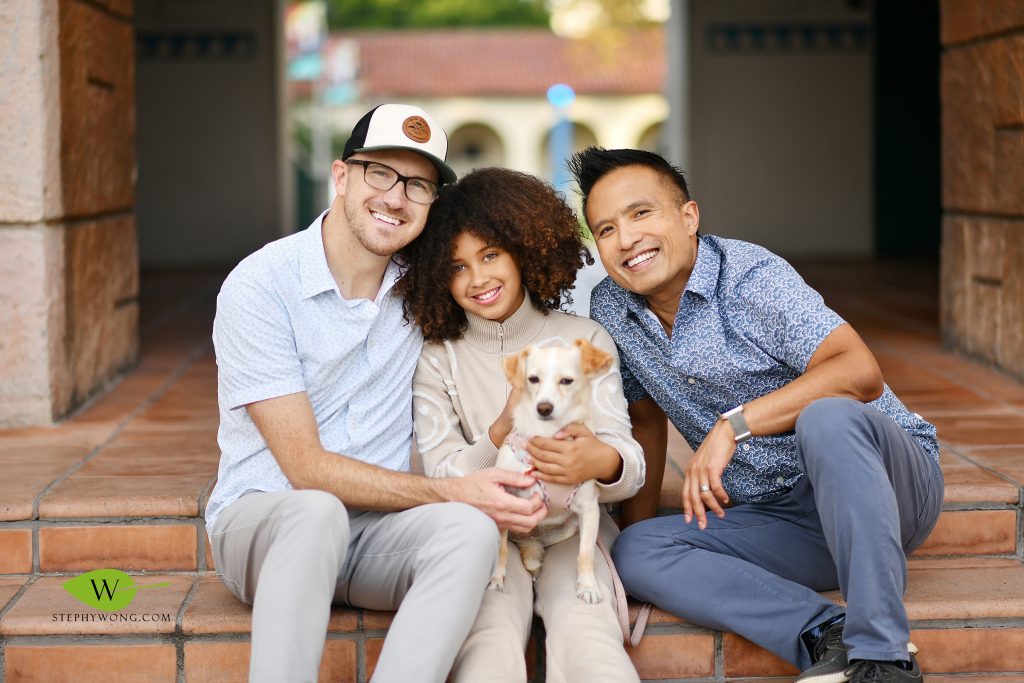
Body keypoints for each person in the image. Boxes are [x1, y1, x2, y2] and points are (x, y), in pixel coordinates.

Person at [567, 147, 943, 683]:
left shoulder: (750, 277)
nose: (626, 239)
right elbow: (644, 419)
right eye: (606, 229)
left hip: (887, 486)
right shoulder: (611, 306)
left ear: (688, 217)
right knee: (637, 551)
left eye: (641, 213)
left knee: (827, 418)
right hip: (785, 517)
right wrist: (640, 542)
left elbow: (860, 372)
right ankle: (823, 633)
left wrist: (733, 425)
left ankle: (883, 658)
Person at [205, 104, 547, 683]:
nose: (396, 198)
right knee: (316, 511)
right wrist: (450, 489)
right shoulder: (261, 285)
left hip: (373, 534)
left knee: (469, 531)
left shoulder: (427, 287)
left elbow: (507, 288)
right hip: (268, 524)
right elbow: (305, 469)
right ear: (341, 176)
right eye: (380, 173)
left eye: (418, 185)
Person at [399, 167, 645, 682]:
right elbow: (441, 475)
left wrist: (600, 460)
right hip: (486, 532)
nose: (478, 279)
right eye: (457, 266)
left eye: (490, 255)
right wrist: (502, 426)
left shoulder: (584, 339)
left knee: (587, 630)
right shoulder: (438, 358)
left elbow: (628, 461)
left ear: (523, 250)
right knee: (487, 634)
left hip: (574, 530)